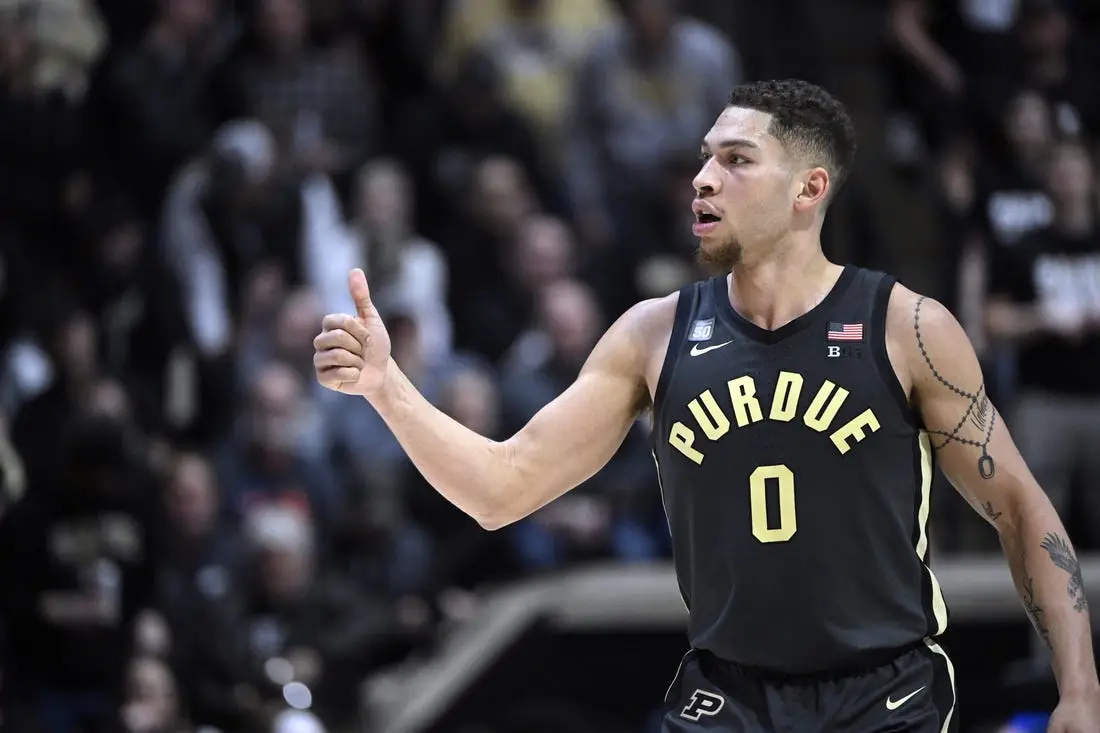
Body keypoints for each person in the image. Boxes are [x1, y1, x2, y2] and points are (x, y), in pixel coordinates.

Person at [312, 80, 1100, 732]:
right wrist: (387, 387)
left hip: (882, 695)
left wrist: (1081, 690)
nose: (703, 178)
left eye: (735, 160)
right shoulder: (654, 335)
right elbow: (500, 487)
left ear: (808, 189)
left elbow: (1020, 510)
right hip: (728, 696)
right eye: (703, 159)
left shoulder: (908, 328)